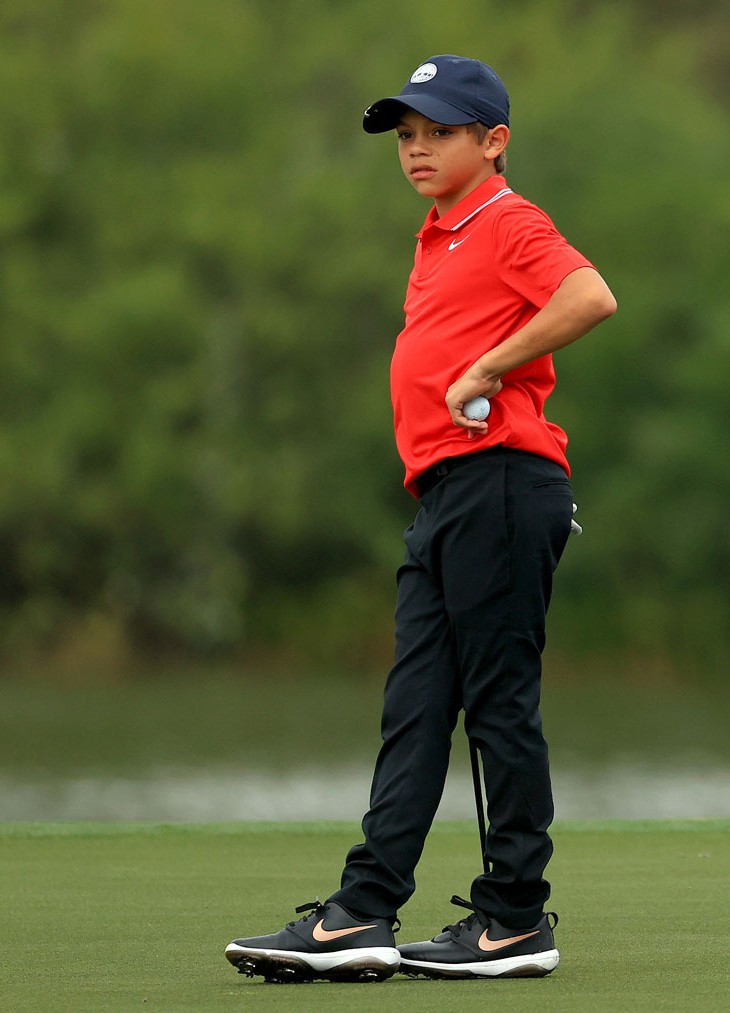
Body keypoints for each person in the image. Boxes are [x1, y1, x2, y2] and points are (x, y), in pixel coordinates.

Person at [224, 54, 617, 982]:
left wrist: (485, 370)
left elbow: (589, 294)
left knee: (497, 706)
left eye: (439, 132)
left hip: (504, 481)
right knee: (415, 708)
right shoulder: (436, 234)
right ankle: (363, 911)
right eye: (406, 135)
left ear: (494, 141)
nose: (417, 149)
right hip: (448, 493)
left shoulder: (507, 218)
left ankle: (515, 916)